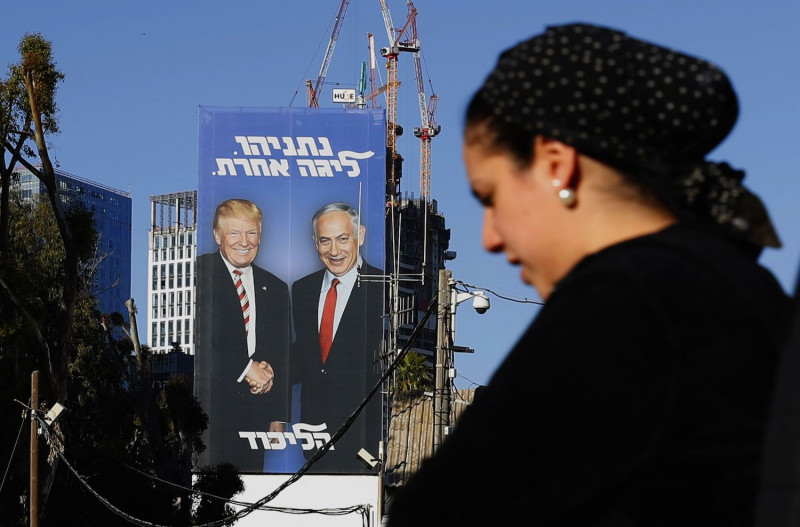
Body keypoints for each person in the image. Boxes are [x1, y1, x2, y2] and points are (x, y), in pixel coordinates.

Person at [386, 23, 793, 526]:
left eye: (491, 197)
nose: (489, 236)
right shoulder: (738, 284)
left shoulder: (627, 299)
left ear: (557, 165)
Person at [195, 198, 290, 473]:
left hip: (256, 415)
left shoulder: (276, 287)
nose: (244, 242)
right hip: (209, 411)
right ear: (217, 236)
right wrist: (248, 369)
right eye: (234, 233)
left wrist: (279, 415)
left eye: (251, 233)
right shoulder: (201, 273)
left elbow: (281, 350)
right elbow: (209, 336)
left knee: (251, 493)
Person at [291, 202, 384, 473]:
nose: (334, 251)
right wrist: (267, 370)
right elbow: (305, 355)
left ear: (361, 236)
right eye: (325, 240)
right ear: (314, 242)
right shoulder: (302, 289)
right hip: (313, 428)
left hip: (364, 428)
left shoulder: (382, 286)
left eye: (343, 239)